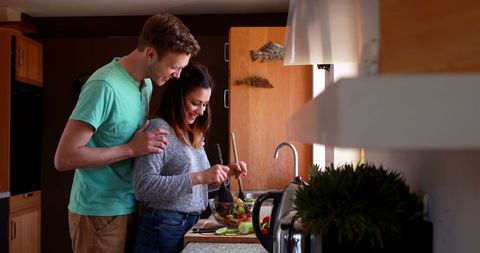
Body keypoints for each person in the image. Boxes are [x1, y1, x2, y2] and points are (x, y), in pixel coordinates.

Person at [54, 13, 200, 253]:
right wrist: (131, 149)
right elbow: (64, 158)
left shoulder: (147, 84)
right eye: (174, 67)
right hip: (99, 213)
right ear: (151, 54)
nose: (178, 75)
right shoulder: (104, 85)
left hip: (128, 206)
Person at [132, 63, 248, 253]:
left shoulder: (190, 132)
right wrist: (200, 176)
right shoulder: (159, 129)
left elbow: (193, 186)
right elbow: (143, 187)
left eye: (205, 104)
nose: (201, 111)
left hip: (189, 223)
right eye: (195, 103)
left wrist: (225, 173)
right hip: (163, 227)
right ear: (177, 98)